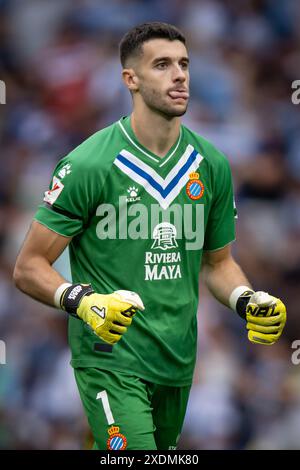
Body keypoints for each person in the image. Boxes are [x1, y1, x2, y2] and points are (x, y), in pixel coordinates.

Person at [13, 22, 287, 451]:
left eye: (184, 64)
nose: (179, 75)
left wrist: (247, 300)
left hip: (177, 361)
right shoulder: (87, 164)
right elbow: (27, 267)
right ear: (131, 79)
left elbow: (218, 264)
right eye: (162, 65)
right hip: (110, 357)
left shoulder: (211, 163)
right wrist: (82, 301)